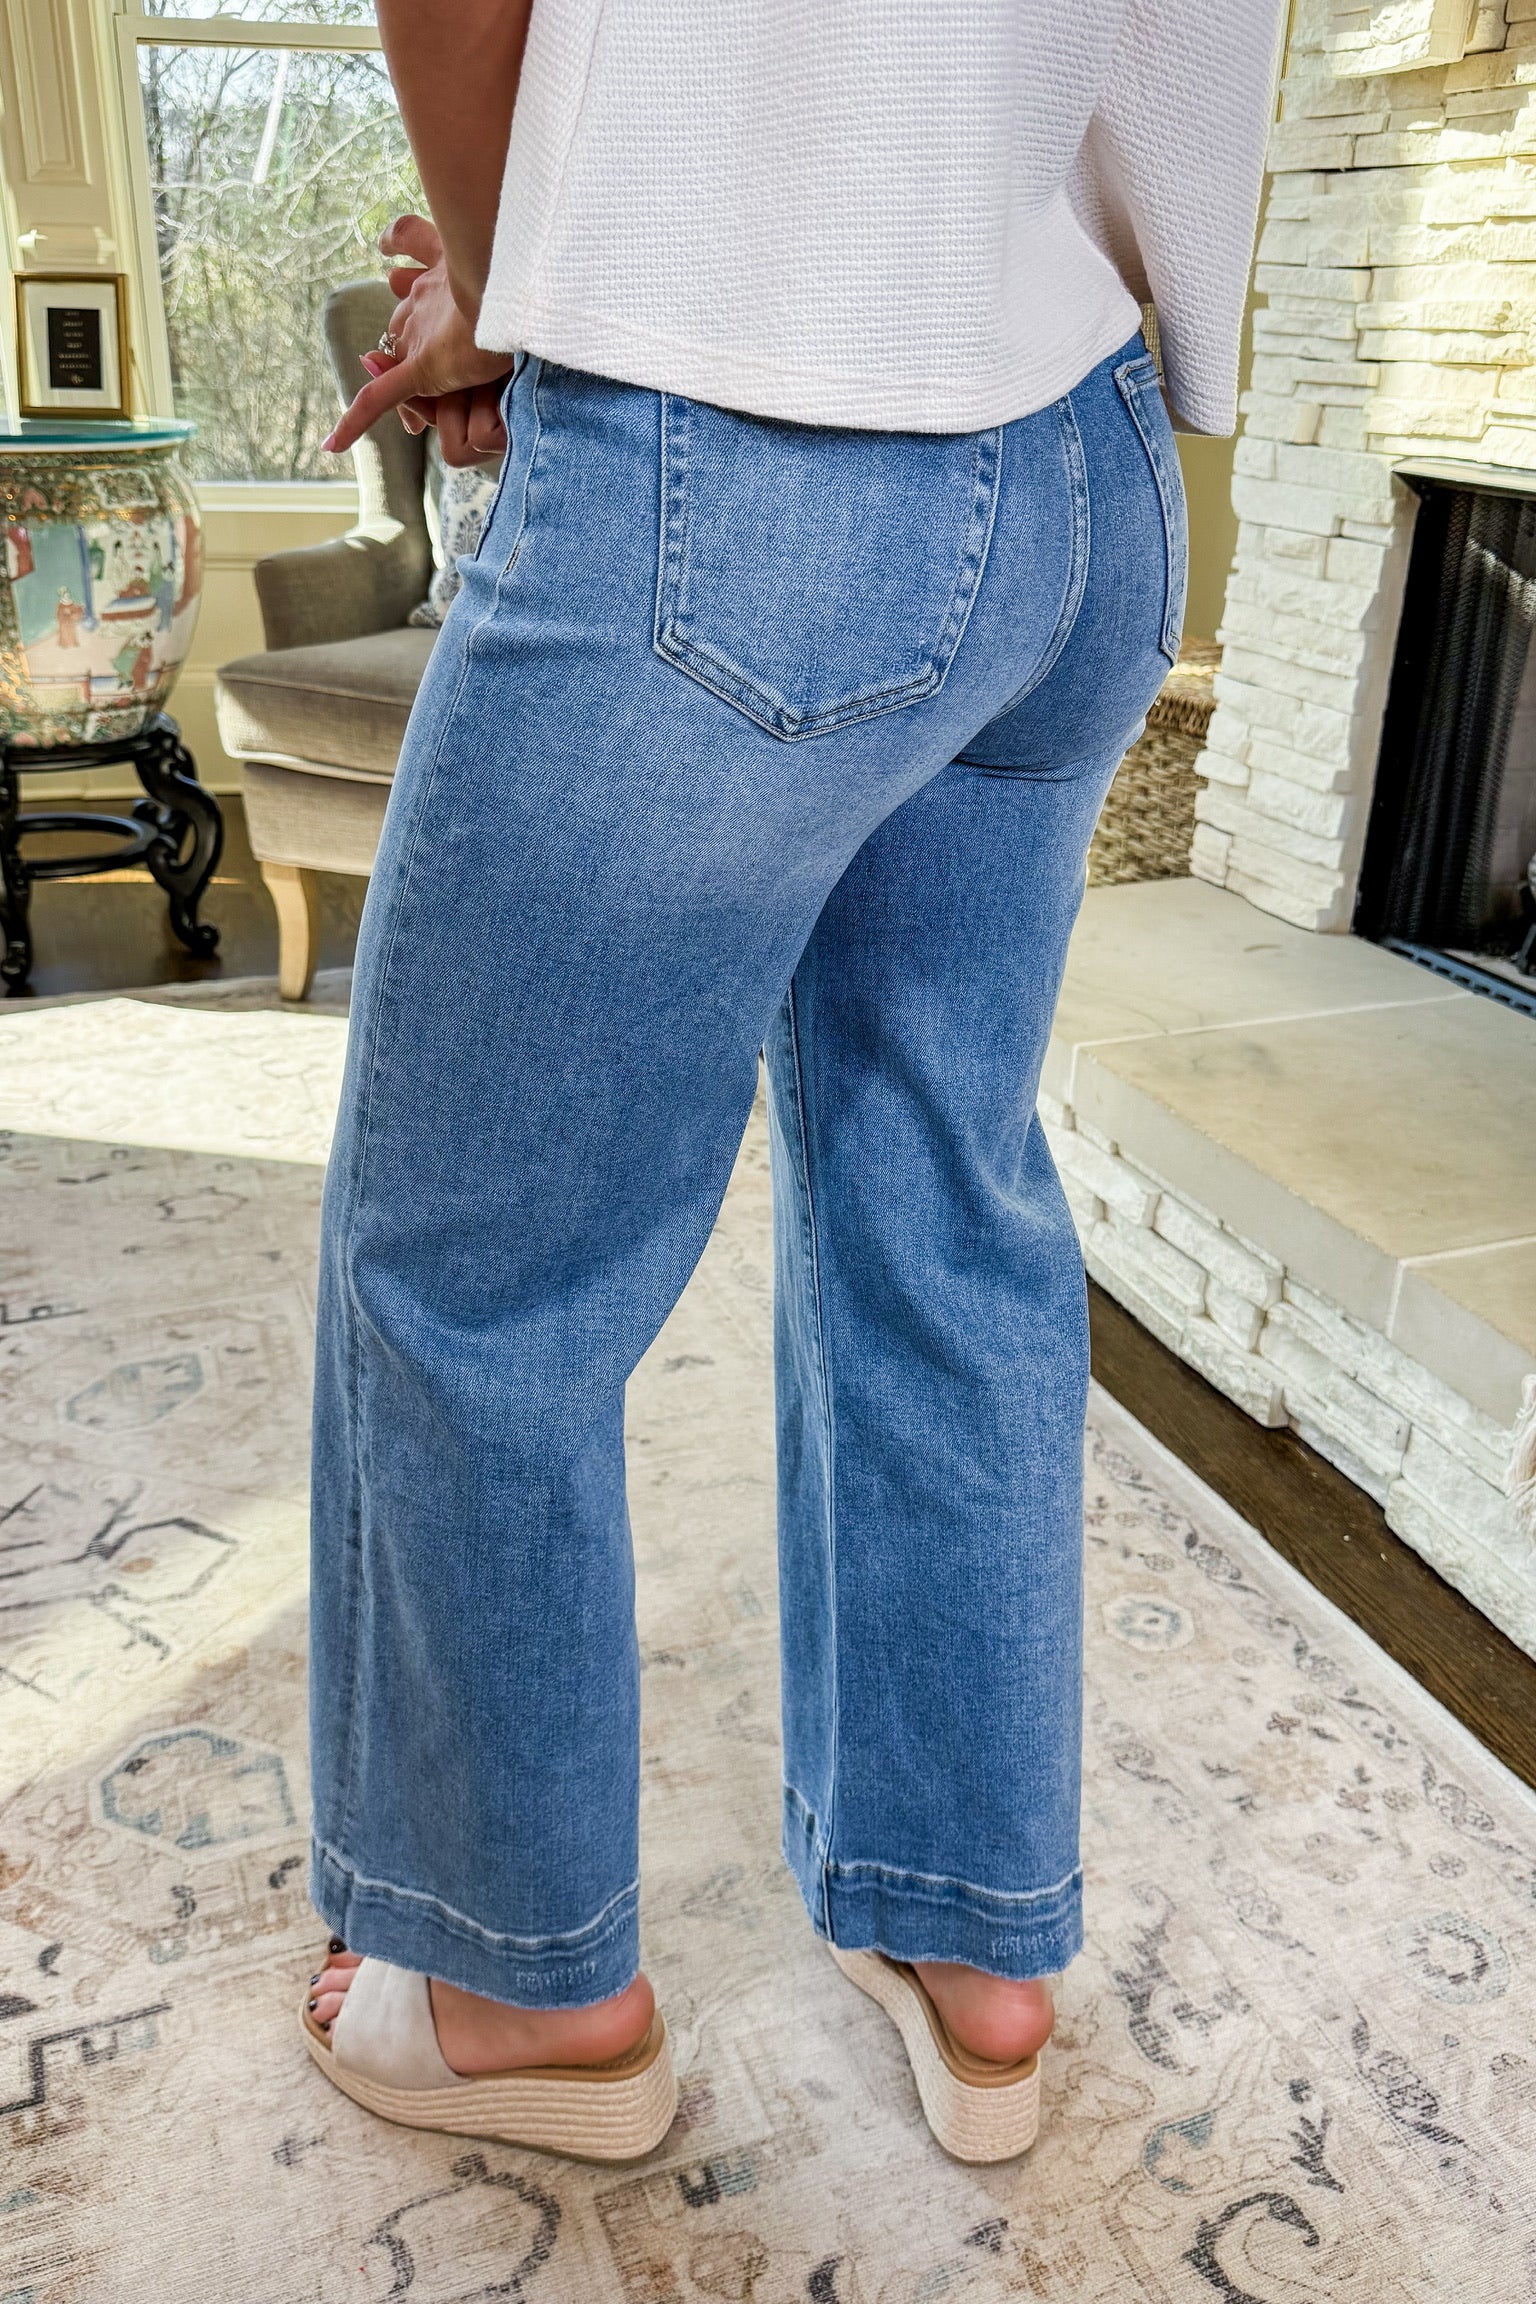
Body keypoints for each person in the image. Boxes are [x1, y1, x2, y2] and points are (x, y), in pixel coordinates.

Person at [299, 0, 1285, 2164]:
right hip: (1085, 456)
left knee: (473, 1275)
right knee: (939, 1183)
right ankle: (976, 1942)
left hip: (740, 428)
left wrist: (512, 282)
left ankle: (517, 1989)